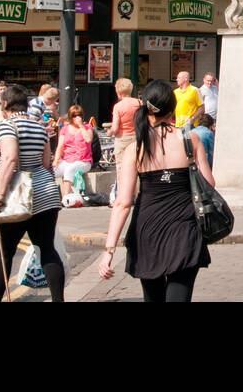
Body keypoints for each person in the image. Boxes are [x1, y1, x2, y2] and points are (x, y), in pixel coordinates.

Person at [98, 80, 213, 301]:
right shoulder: (190, 140)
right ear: (173, 108)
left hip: (147, 231)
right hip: (184, 230)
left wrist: (109, 251)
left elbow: (123, 203)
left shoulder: (136, 148)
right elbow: (209, 183)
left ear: (146, 108)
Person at [0, 84, 64, 302]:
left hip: (16, 196)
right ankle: (58, 300)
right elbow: (45, 164)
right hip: (45, 194)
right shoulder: (39, 127)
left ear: (5, 104)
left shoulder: (8, 126)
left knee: (3, 253)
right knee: (46, 249)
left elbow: (9, 159)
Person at [53, 105, 95, 198]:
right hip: (67, 159)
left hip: (83, 160)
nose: (76, 118)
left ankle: (66, 197)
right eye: (74, 116)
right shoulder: (65, 129)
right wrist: (56, 160)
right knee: (51, 172)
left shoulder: (87, 127)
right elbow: (60, 146)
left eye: (79, 115)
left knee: (70, 170)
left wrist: (81, 126)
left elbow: (88, 139)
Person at [110, 78, 143, 165]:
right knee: (137, 165)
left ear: (119, 93)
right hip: (137, 137)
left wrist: (109, 132)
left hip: (122, 139)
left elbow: (115, 128)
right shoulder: (140, 103)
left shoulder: (118, 106)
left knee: (121, 166)